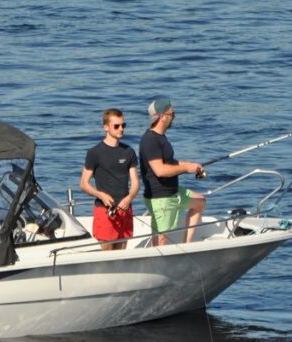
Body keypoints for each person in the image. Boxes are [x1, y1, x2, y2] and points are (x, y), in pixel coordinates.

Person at [139, 97, 205, 245]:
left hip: (173, 192)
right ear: (162, 116)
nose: (173, 117)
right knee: (161, 241)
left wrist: (191, 165)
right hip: (161, 198)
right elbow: (160, 170)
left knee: (200, 202)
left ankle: (187, 245)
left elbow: (170, 162)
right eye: (172, 114)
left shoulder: (161, 138)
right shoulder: (150, 140)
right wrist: (186, 168)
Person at [80, 109, 139, 250]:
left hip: (125, 209)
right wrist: (101, 195)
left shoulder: (129, 151)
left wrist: (129, 197)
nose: (121, 129)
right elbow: (83, 184)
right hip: (105, 210)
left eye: (123, 125)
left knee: (122, 253)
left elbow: (135, 182)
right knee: (107, 253)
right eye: (116, 126)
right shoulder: (94, 153)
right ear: (106, 127)